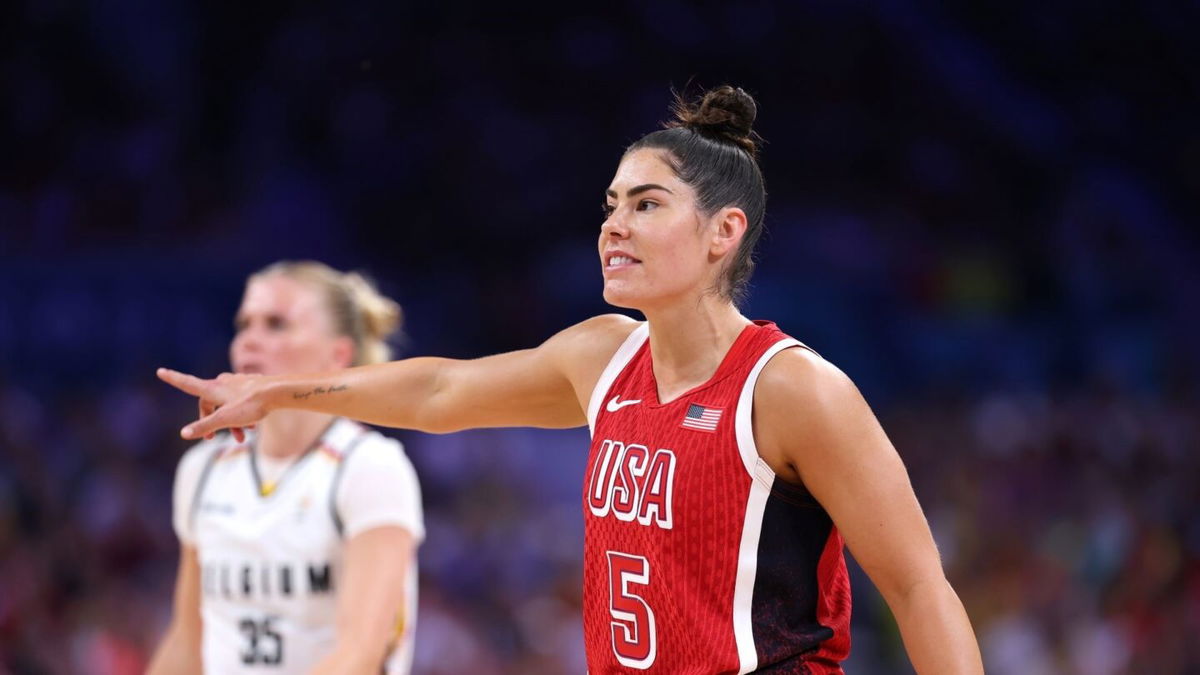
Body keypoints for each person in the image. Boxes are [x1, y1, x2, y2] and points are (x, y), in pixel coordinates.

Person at [158, 86, 983, 673]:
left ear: (722, 233)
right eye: (610, 204)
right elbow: (440, 392)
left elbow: (917, 585)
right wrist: (280, 391)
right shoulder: (601, 356)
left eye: (647, 205)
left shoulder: (792, 389)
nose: (614, 225)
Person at [148, 261, 424, 675]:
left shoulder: (369, 466)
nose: (249, 341)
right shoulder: (204, 467)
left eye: (276, 324)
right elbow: (188, 641)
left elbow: (359, 656)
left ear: (339, 354)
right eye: (244, 324)